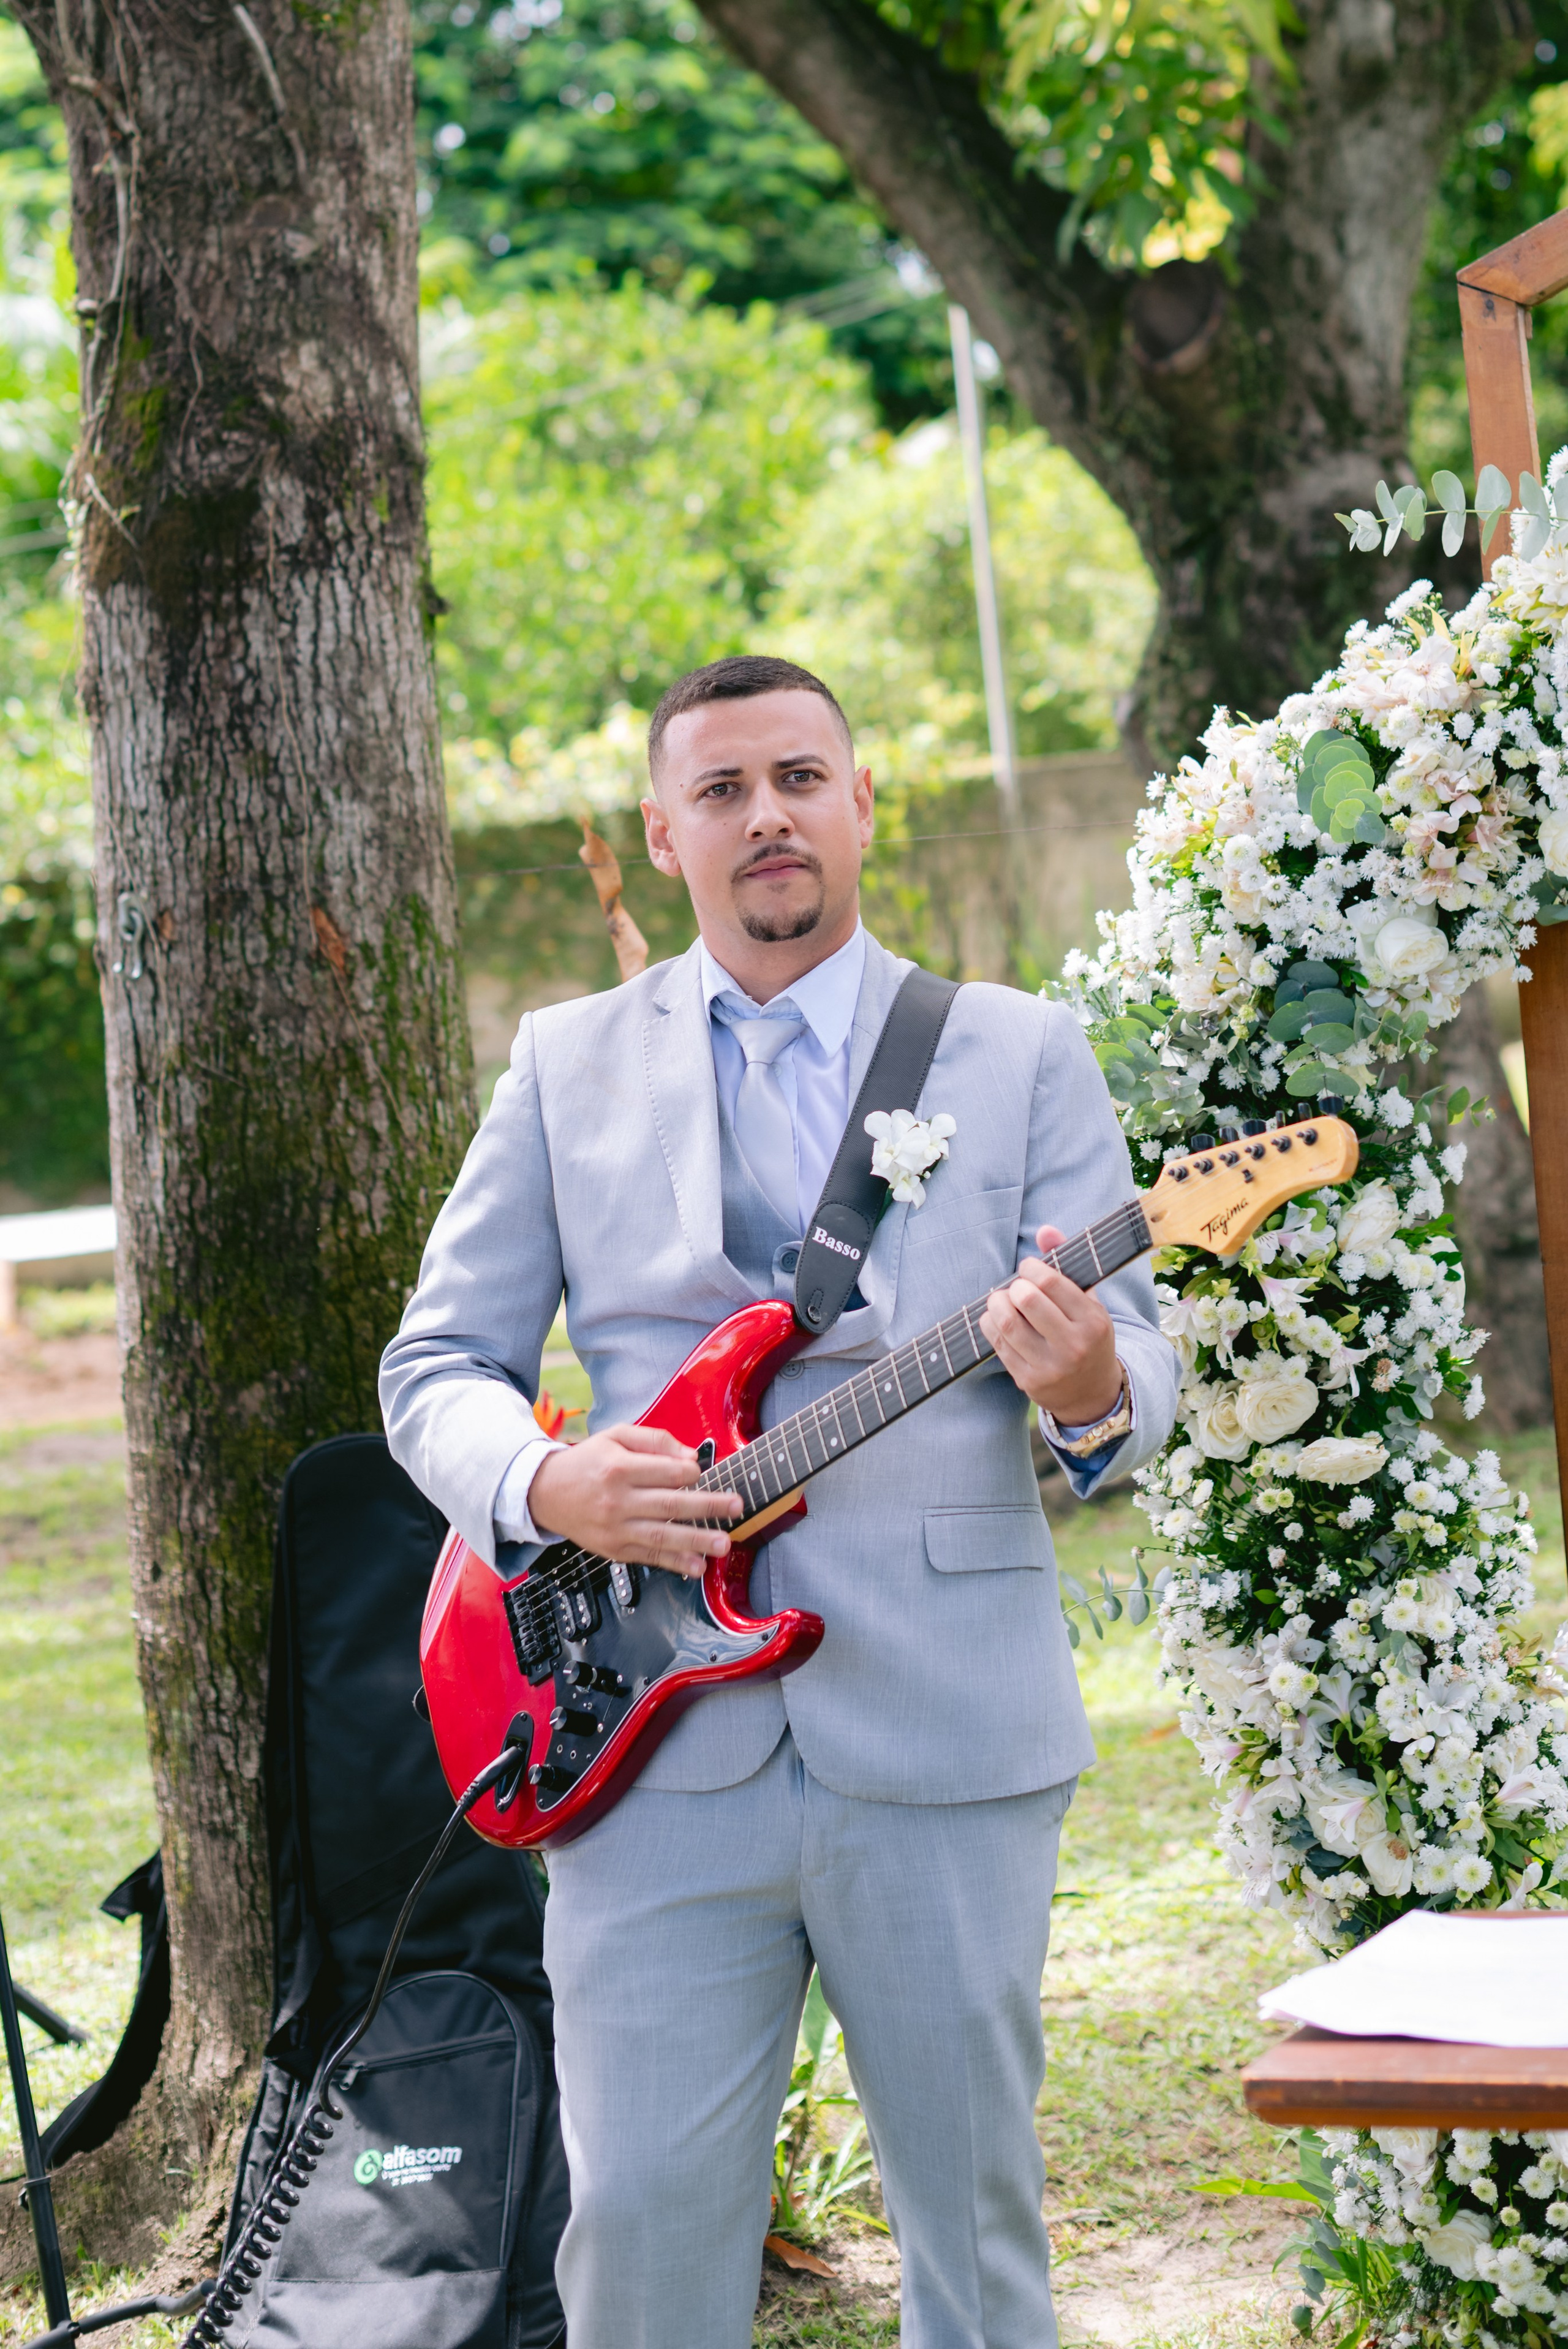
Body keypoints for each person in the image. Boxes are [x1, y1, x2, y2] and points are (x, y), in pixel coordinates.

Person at [380, 654, 1178, 2349]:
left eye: (803, 778)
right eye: (726, 791)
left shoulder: (1018, 1052)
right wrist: (549, 1479)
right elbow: (433, 1364)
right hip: (641, 1740)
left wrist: (1091, 1384)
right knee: (647, 2238)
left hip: (946, 1727)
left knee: (975, 2229)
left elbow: (1145, 1376)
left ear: (863, 801)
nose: (770, 818)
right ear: (664, 832)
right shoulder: (563, 1061)